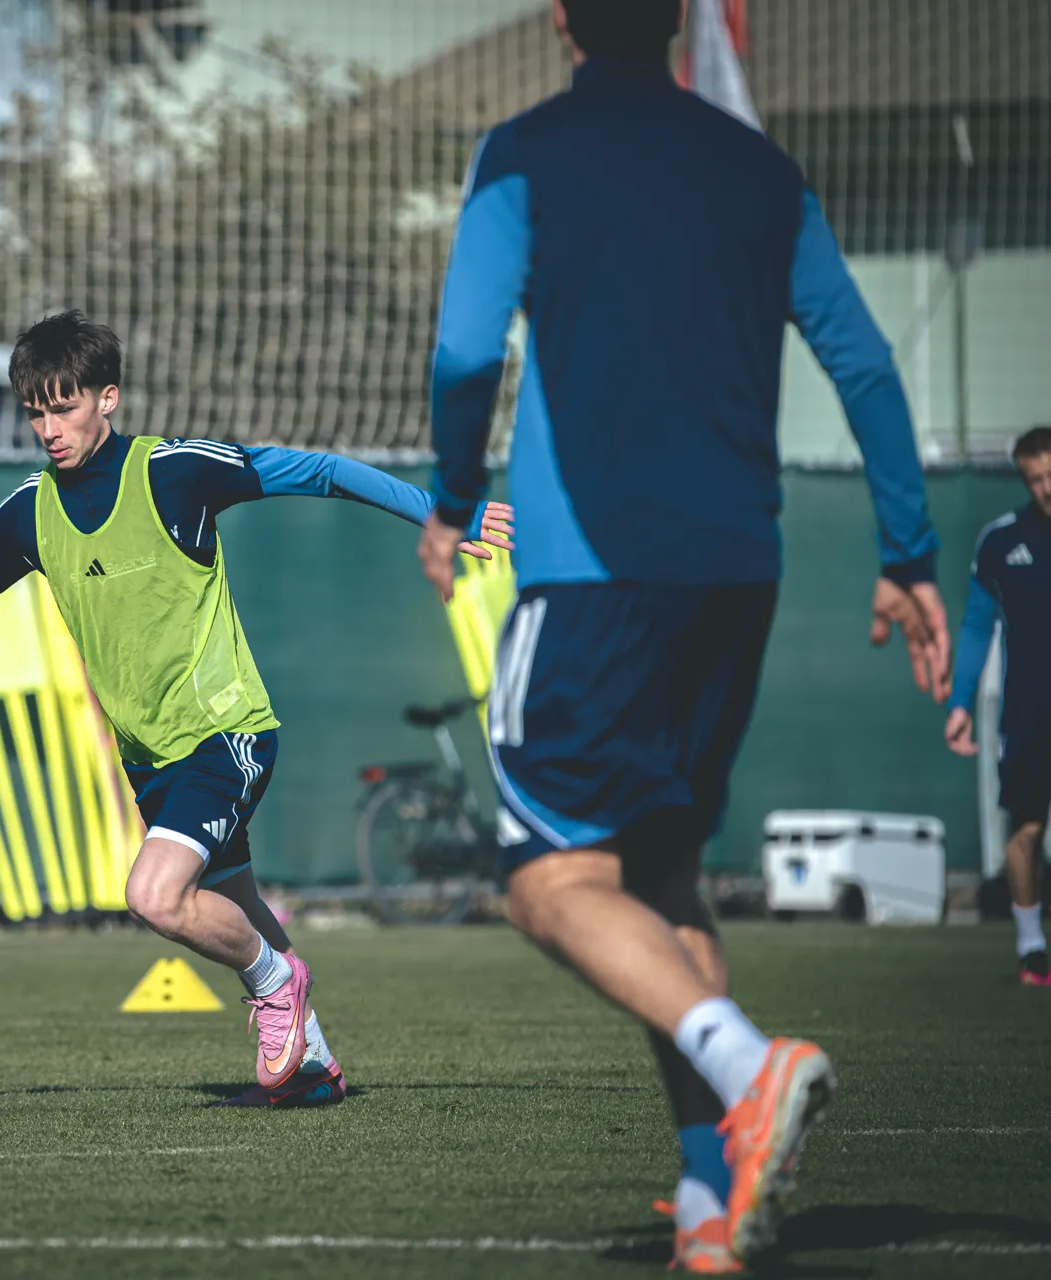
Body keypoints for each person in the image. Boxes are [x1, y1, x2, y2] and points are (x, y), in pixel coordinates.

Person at [417, 0, 949, 1269]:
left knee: (546, 880)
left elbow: (464, 353)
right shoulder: (759, 167)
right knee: (660, 880)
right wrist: (909, 553)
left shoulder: (524, 152)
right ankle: (713, 1200)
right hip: (736, 577)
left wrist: (449, 498)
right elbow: (866, 363)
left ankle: (750, 1067)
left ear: (560, 16)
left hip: (594, 579)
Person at [0, 311, 513, 1106]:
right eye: (35, 412)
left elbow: (321, 470)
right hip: (150, 757)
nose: (48, 429)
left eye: (63, 408)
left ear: (108, 397)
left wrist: (443, 512)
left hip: (224, 731)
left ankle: (277, 985)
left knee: (154, 897)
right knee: (235, 903)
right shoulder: (29, 513)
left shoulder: (174, 472)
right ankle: (312, 1071)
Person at [945, 426, 1051, 985]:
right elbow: (975, 626)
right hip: (1029, 713)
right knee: (1026, 829)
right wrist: (960, 703)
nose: (1046, 487)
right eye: (1035, 479)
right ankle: (1032, 949)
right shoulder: (1001, 542)